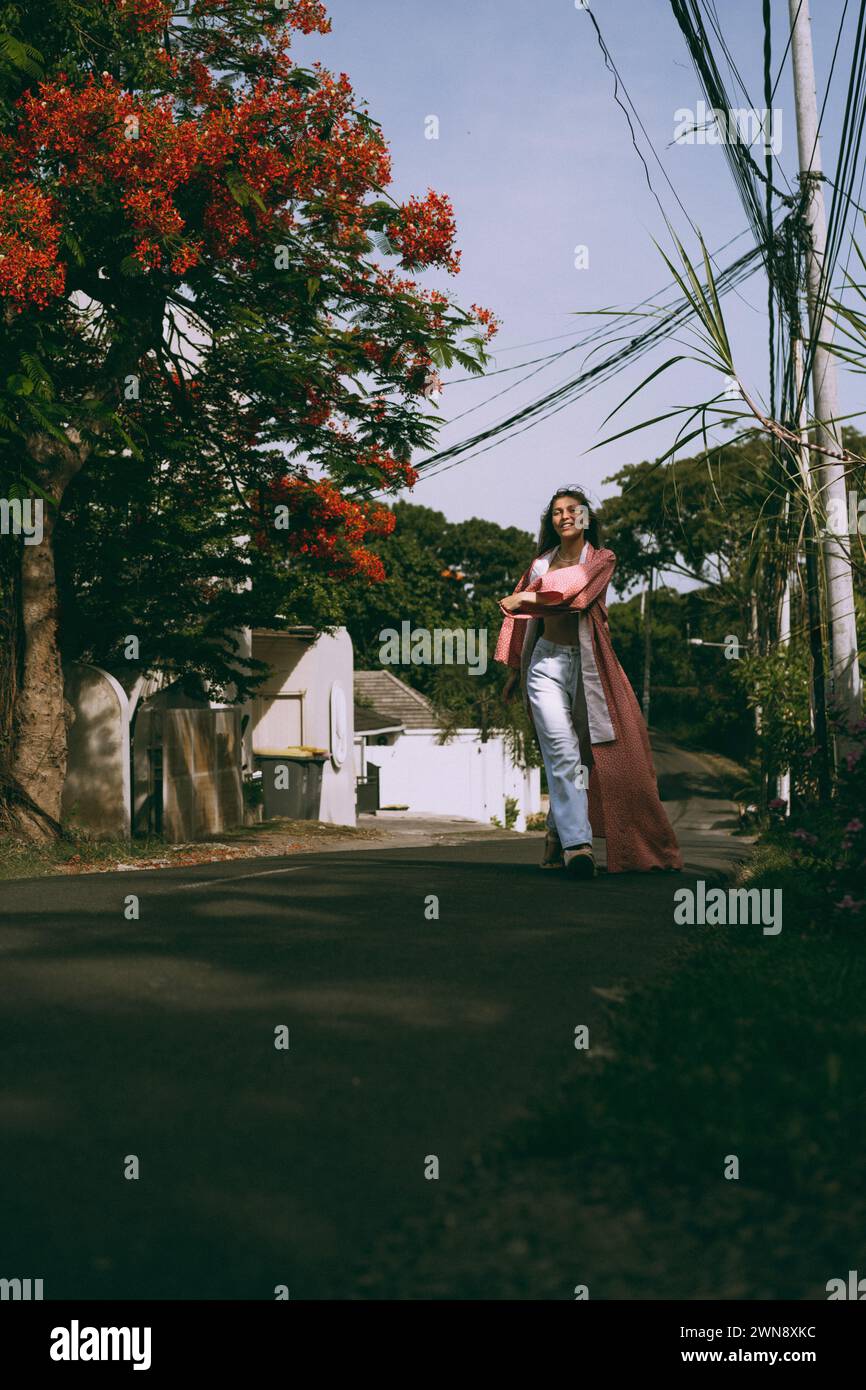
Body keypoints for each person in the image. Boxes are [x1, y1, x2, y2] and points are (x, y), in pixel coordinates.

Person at [495, 486, 683, 878]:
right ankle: (577, 847)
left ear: (586, 519)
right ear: (551, 520)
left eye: (572, 510)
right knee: (562, 754)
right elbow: (519, 628)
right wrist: (515, 670)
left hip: (589, 669)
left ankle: (553, 836)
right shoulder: (539, 565)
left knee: (586, 760)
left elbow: (575, 597)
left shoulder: (601, 559)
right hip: (544, 665)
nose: (564, 516)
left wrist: (525, 600)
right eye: (557, 511)